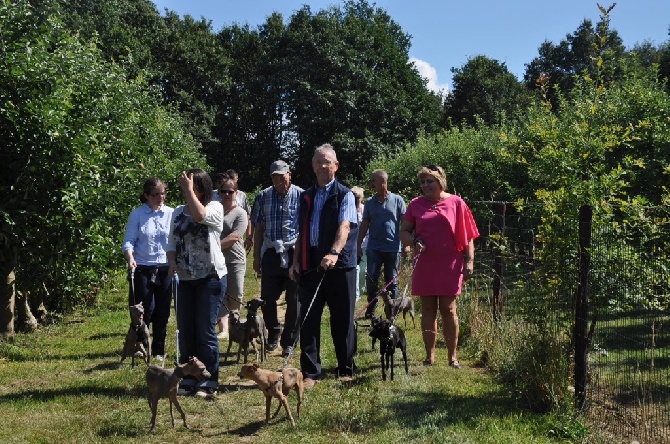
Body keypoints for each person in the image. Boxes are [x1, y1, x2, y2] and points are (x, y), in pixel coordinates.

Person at [289, 144, 358, 387]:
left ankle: (345, 368)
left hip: (340, 266)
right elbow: (301, 231)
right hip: (310, 265)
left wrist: (333, 253)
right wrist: (295, 262)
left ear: (336, 166)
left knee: (342, 319)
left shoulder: (345, 194)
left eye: (327, 161)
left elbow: (345, 226)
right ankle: (310, 372)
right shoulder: (305, 196)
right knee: (308, 319)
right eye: (318, 161)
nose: (322, 166)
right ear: (312, 166)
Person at [399, 165, 479, 369]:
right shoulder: (416, 204)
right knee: (427, 309)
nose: (425, 185)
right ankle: (430, 355)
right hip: (425, 263)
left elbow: (468, 235)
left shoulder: (456, 203)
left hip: (450, 264)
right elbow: (404, 233)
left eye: (430, 181)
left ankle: (453, 357)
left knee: (449, 309)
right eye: (423, 182)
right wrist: (414, 240)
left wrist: (469, 260)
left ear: (440, 182)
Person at [167, 169, 226, 399]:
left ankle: (209, 378)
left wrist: (188, 191)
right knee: (186, 330)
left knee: (204, 330)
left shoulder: (215, 208)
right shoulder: (178, 212)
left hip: (210, 278)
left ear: (202, 188)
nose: (187, 190)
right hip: (185, 279)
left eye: (193, 186)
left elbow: (200, 216)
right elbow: (171, 242)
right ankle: (189, 376)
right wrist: (172, 262)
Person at [251, 160, 304, 358]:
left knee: (294, 299)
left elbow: (305, 228)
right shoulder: (263, 196)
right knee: (267, 298)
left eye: (282, 176)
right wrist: (256, 257)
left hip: (294, 252)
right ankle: (274, 331)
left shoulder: (302, 195)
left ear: (290, 175)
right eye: (274, 176)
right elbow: (258, 227)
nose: (279, 180)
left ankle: (289, 341)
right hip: (271, 252)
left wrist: (301, 258)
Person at [122, 178, 173, 364]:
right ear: (146, 196)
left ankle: (159, 349)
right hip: (142, 266)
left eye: (163, 193)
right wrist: (130, 257)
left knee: (163, 310)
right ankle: (141, 345)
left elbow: (175, 240)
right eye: (156, 194)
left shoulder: (171, 213)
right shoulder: (137, 214)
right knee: (145, 309)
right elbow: (129, 240)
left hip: (164, 267)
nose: (160, 197)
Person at [357, 169, 409, 318]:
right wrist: (358, 245)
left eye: (374, 181)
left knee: (391, 280)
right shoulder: (369, 203)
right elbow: (364, 225)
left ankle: (391, 311)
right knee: (371, 279)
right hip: (374, 247)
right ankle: (371, 309)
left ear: (383, 182)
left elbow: (405, 224)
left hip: (392, 247)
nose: (371, 184)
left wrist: (406, 244)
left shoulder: (398, 200)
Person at [216, 176, 248, 340]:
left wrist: (213, 248)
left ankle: (236, 325)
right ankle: (224, 329)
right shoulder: (214, 209)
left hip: (235, 259)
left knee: (235, 294)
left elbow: (235, 236)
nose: (227, 194)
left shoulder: (240, 213)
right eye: (224, 191)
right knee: (219, 294)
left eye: (230, 191)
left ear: (236, 193)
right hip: (217, 261)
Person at [225, 169, 253, 247]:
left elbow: (248, 217)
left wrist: (249, 237)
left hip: (237, 233)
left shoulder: (241, 195)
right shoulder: (216, 194)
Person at [350, 186, 367, 301]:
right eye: (354, 197)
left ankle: (361, 292)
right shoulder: (348, 209)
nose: (356, 199)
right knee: (354, 269)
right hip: (351, 244)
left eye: (358, 197)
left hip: (365, 243)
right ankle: (355, 294)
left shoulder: (365, 209)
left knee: (363, 271)